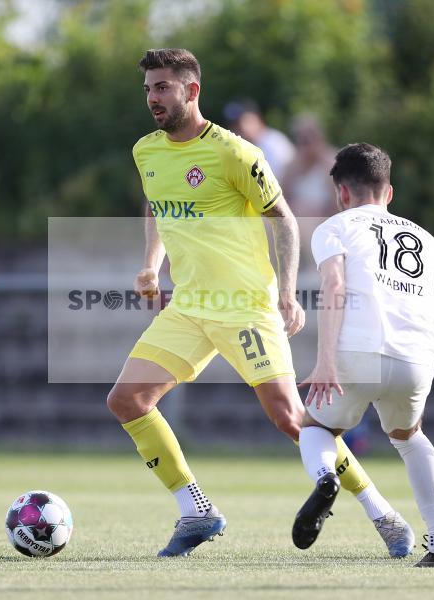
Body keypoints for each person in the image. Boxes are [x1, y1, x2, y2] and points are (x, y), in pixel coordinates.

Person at [108, 49, 414, 559]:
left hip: (245, 306)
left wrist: (289, 294)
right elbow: (155, 204)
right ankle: (196, 510)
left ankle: (383, 513)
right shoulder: (146, 151)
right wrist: (150, 264)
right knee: (126, 400)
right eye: (148, 89)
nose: (153, 98)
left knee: (292, 419)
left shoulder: (235, 153)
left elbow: (284, 219)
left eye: (163, 88)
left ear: (191, 90)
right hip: (189, 307)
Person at [293, 143, 434, 567]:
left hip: (357, 353)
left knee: (315, 428)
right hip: (417, 360)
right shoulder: (425, 239)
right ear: (390, 193)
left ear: (341, 193)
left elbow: (335, 288)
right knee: (410, 438)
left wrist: (324, 361)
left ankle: (327, 480)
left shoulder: (334, 228)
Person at [282, 114, 337, 270]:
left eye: (309, 139)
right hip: (296, 221)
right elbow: (280, 200)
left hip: (325, 222)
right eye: (301, 140)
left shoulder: (332, 164)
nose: (305, 145)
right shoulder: (291, 167)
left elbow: (341, 205)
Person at [223, 98, 296, 183]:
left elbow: (283, 183)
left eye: (240, 122)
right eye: (233, 124)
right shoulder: (242, 148)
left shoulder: (274, 144)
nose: (237, 128)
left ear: (256, 118)